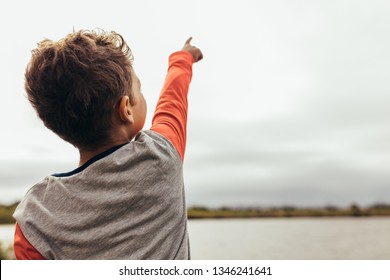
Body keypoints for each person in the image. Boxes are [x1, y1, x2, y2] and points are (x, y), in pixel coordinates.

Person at [13, 29, 203, 259]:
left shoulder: (36, 214)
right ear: (126, 109)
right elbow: (172, 103)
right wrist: (183, 58)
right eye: (139, 89)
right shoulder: (161, 155)